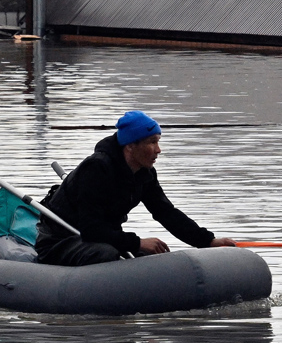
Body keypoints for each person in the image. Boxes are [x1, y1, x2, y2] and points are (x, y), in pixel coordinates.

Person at [36, 110, 236, 266]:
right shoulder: (96, 168)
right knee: (107, 254)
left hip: (100, 239)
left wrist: (208, 241)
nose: (158, 150)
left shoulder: (144, 173)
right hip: (62, 240)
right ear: (130, 146)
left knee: (148, 254)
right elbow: (91, 229)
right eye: (152, 142)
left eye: (158, 142)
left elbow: (166, 213)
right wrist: (137, 242)